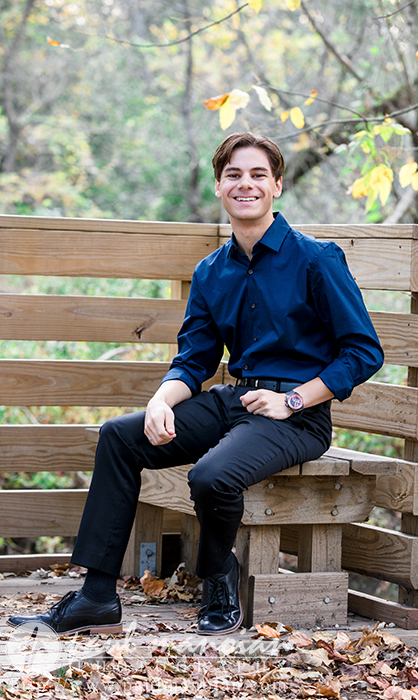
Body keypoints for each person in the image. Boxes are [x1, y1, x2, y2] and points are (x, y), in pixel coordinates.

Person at [7, 132, 384, 637]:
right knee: (120, 437)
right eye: (233, 175)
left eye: (256, 175)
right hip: (236, 399)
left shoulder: (315, 259)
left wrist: (293, 399)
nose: (244, 184)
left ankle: (218, 576)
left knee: (211, 475)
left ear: (276, 186)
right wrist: (162, 399)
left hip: (297, 415)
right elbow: (196, 357)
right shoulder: (211, 271)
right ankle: (96, 597)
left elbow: (364, 352)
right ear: (218, 187)